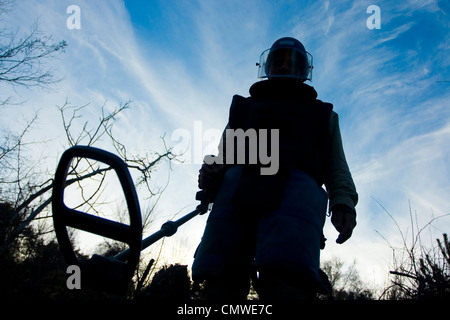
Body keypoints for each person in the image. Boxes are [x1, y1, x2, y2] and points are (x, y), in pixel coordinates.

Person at [191, 37, 358, 300]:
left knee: (288, 282)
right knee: (220, 279)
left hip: (296, 203)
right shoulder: (243, 108)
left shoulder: (323, 115)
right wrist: (212, 173)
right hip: (237, 197)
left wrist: (344, 202)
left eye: (291, 61)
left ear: (304, 71)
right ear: (267, 67)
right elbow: (224, 156)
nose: (283, 65)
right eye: (278, 61)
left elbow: (336, 165)